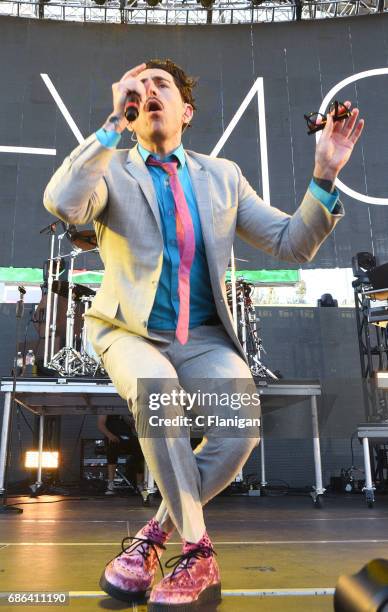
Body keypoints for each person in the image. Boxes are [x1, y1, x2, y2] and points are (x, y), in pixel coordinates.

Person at [43, 58, 364, 610]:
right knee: (157, 394)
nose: (149, 93)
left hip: (204, 339)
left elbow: (291, 243)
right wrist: (109, 126)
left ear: (185, 111)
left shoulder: (223, 176)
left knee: (240, 430)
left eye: (160, 85)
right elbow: (63, 202)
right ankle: (198, 552)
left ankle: (152, 539)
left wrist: (325, 175)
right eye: (138, 89)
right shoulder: (110, 168)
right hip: (128, 333)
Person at [97, 414, 144, 495]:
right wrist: (110, 435)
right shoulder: (107, 408)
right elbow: (100, 425)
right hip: (113, 437)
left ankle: (140, 484)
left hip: (128, 437)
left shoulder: (127, 408)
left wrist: (127, 418)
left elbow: (134, 425)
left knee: (140, 450)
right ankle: (111, 484)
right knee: (112, 449)